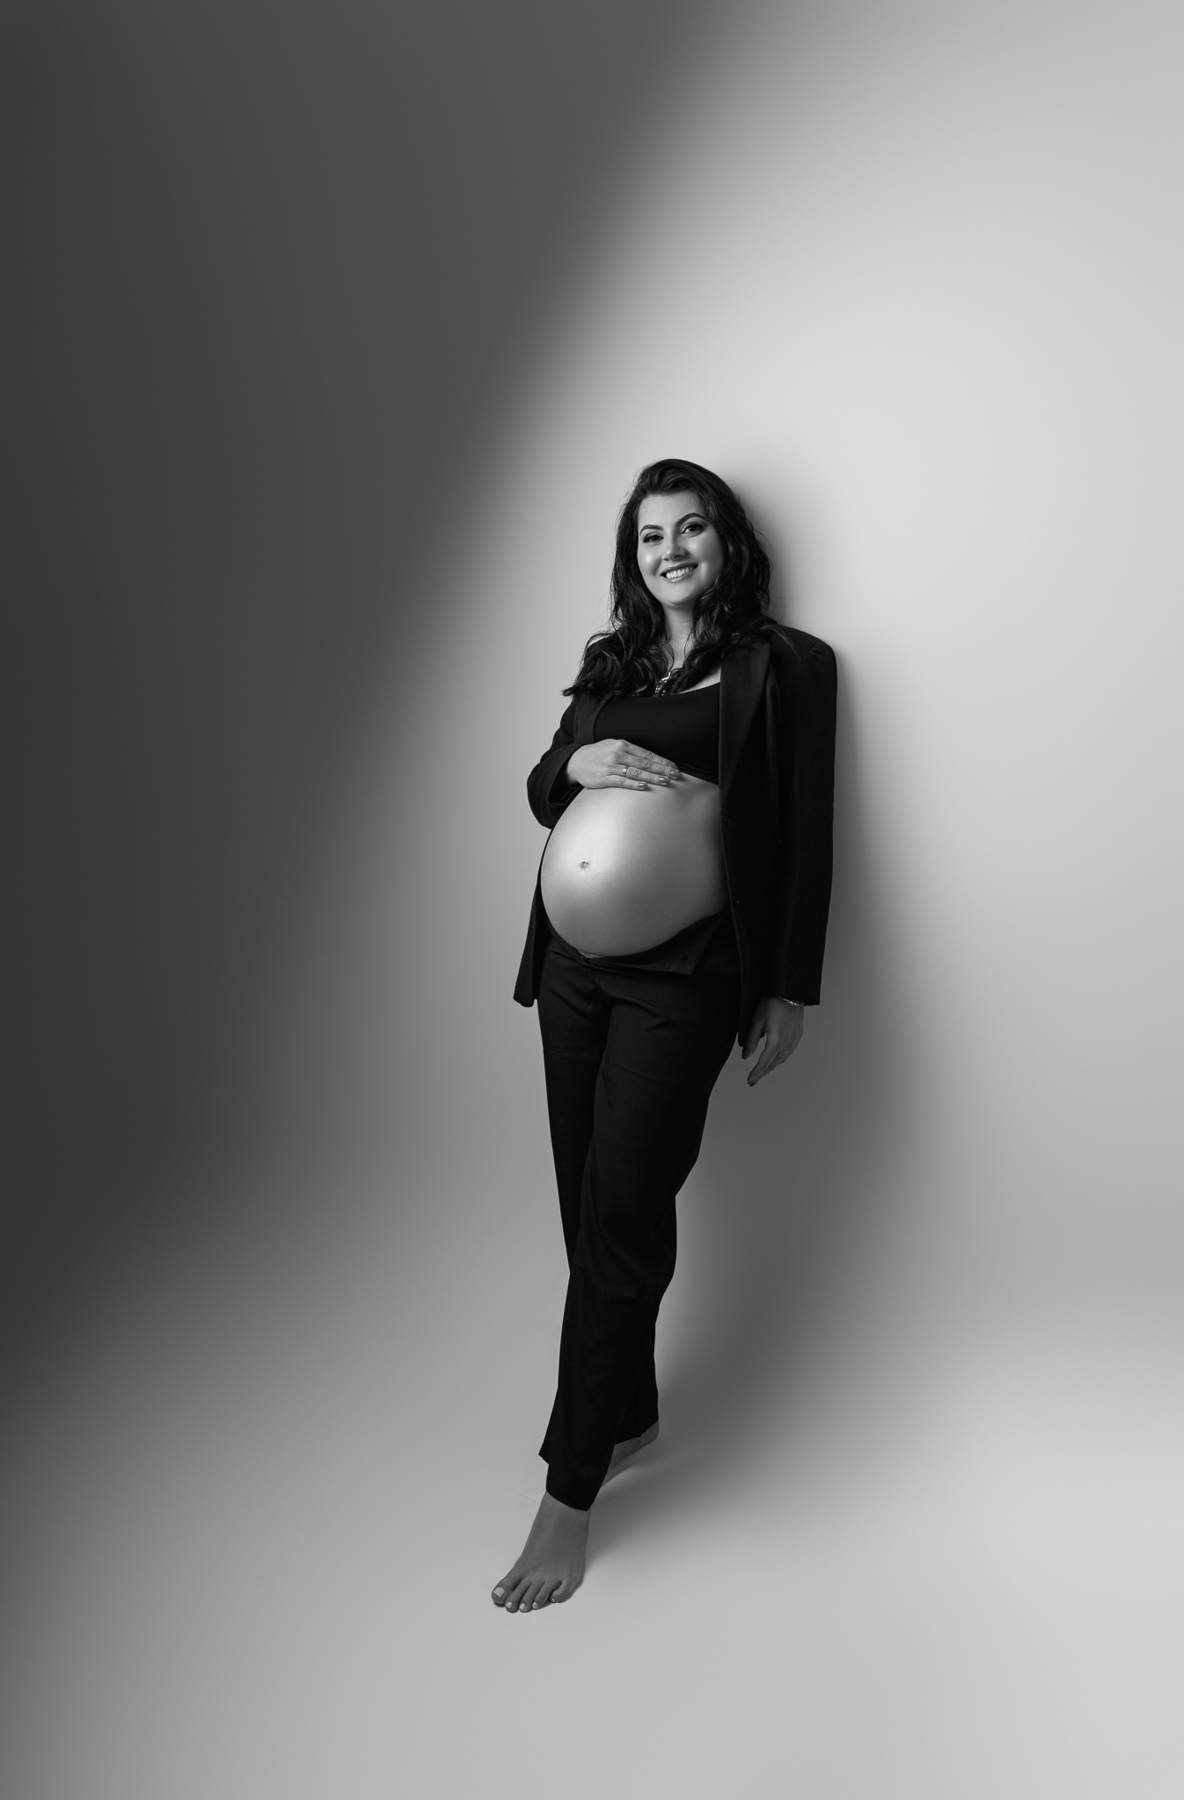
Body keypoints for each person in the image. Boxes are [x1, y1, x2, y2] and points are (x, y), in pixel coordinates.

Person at [492, 459, 837, 1612]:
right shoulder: (614, 665)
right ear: (632, 558)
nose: (672, 549)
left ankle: (569, 1488)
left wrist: (787, 989)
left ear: (727, 543)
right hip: (575, 972)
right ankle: (628, 1410)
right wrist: (576, 760)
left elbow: (804, 831)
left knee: (623, 1212)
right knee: (586, 1200)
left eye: (693, 529)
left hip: (684, 976)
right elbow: (544, 789)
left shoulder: (787, 666)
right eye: (651, 536)